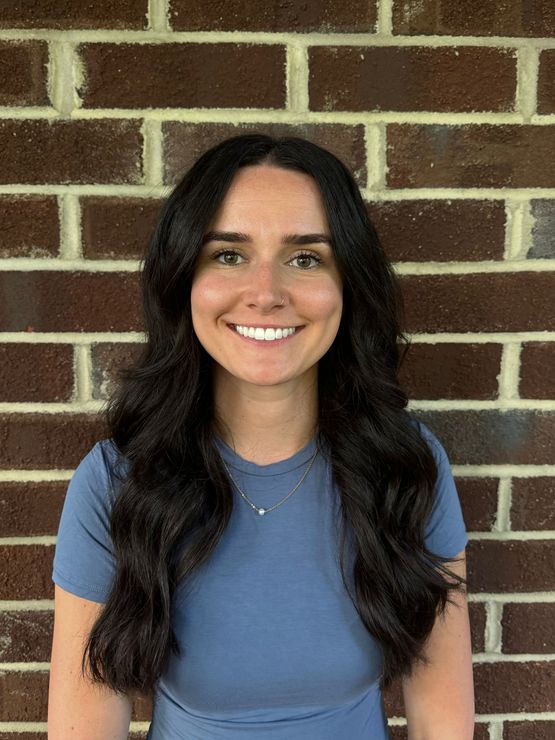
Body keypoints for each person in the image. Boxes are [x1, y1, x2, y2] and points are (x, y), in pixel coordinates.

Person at [48, 134, 474, 739]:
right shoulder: (117, 481)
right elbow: (85, 723)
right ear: (183, 278)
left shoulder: (405, 466)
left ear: (348, 286)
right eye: (228, 254)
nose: (267, 293)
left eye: (306, 258)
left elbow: (443, 718)